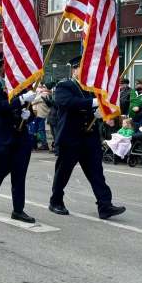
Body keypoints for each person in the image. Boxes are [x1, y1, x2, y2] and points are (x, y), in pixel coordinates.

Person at [48, 56, 126, 219]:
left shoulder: (92, 89)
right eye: (80, 69)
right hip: (70, 137)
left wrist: (98, 112)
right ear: (74, 70)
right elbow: (67, 102)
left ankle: (105, 205)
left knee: (96, 173)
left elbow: (96, 104)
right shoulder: (65, 85)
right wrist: (92, 104)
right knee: (63, 172)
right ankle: (56, 201)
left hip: (89, 138)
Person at [0, 52, 36, 222]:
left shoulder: (20, 87)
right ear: (1, 67)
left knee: (19, 173)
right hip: (1, 136)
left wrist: (28, 115)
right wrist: (20, 100)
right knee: (1, 169)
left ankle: (18, 209)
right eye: (7, 66)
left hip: (20, 136)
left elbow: (30, 110)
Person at [31, 84, 52, 150]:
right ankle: (38, 144)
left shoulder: (43, 94)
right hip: (41, 113)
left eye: (43, 87)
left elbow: (33, 101)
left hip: (41, 114)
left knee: (40, 129)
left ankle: (44, 144)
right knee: (37, 129)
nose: (41, 88)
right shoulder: (47, 94)